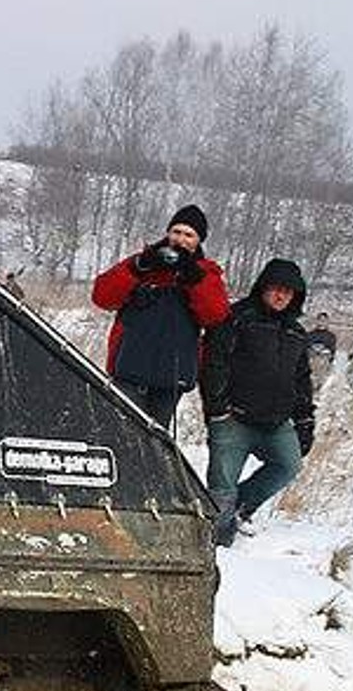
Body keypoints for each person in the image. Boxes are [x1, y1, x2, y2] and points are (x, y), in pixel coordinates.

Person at [199, 258, 315, 547]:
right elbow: (214, 363)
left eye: (288, 291)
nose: (281, 296)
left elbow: (301, 380)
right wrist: (217, 410)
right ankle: (216, 542)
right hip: (233, 419)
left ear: (296, 296)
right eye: (276, 288)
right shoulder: (236, 318)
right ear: (263, 287)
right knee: (221, 487)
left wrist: (305, 421)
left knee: (288, 465)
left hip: (276, 422)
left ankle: (237, 511)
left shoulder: (296, 333)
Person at [89, 204, 230, 430]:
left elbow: (215, 316)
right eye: (176, 232)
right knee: (122, 430)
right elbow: (102, 297)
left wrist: (193, 279)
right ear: (168, 233)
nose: (181, 240)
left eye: (189, 235)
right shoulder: (143, 262)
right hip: (129, 366)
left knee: (156, 435)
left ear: (199, 241)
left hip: (172, 375)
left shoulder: (205, 273)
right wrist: (138, 268)